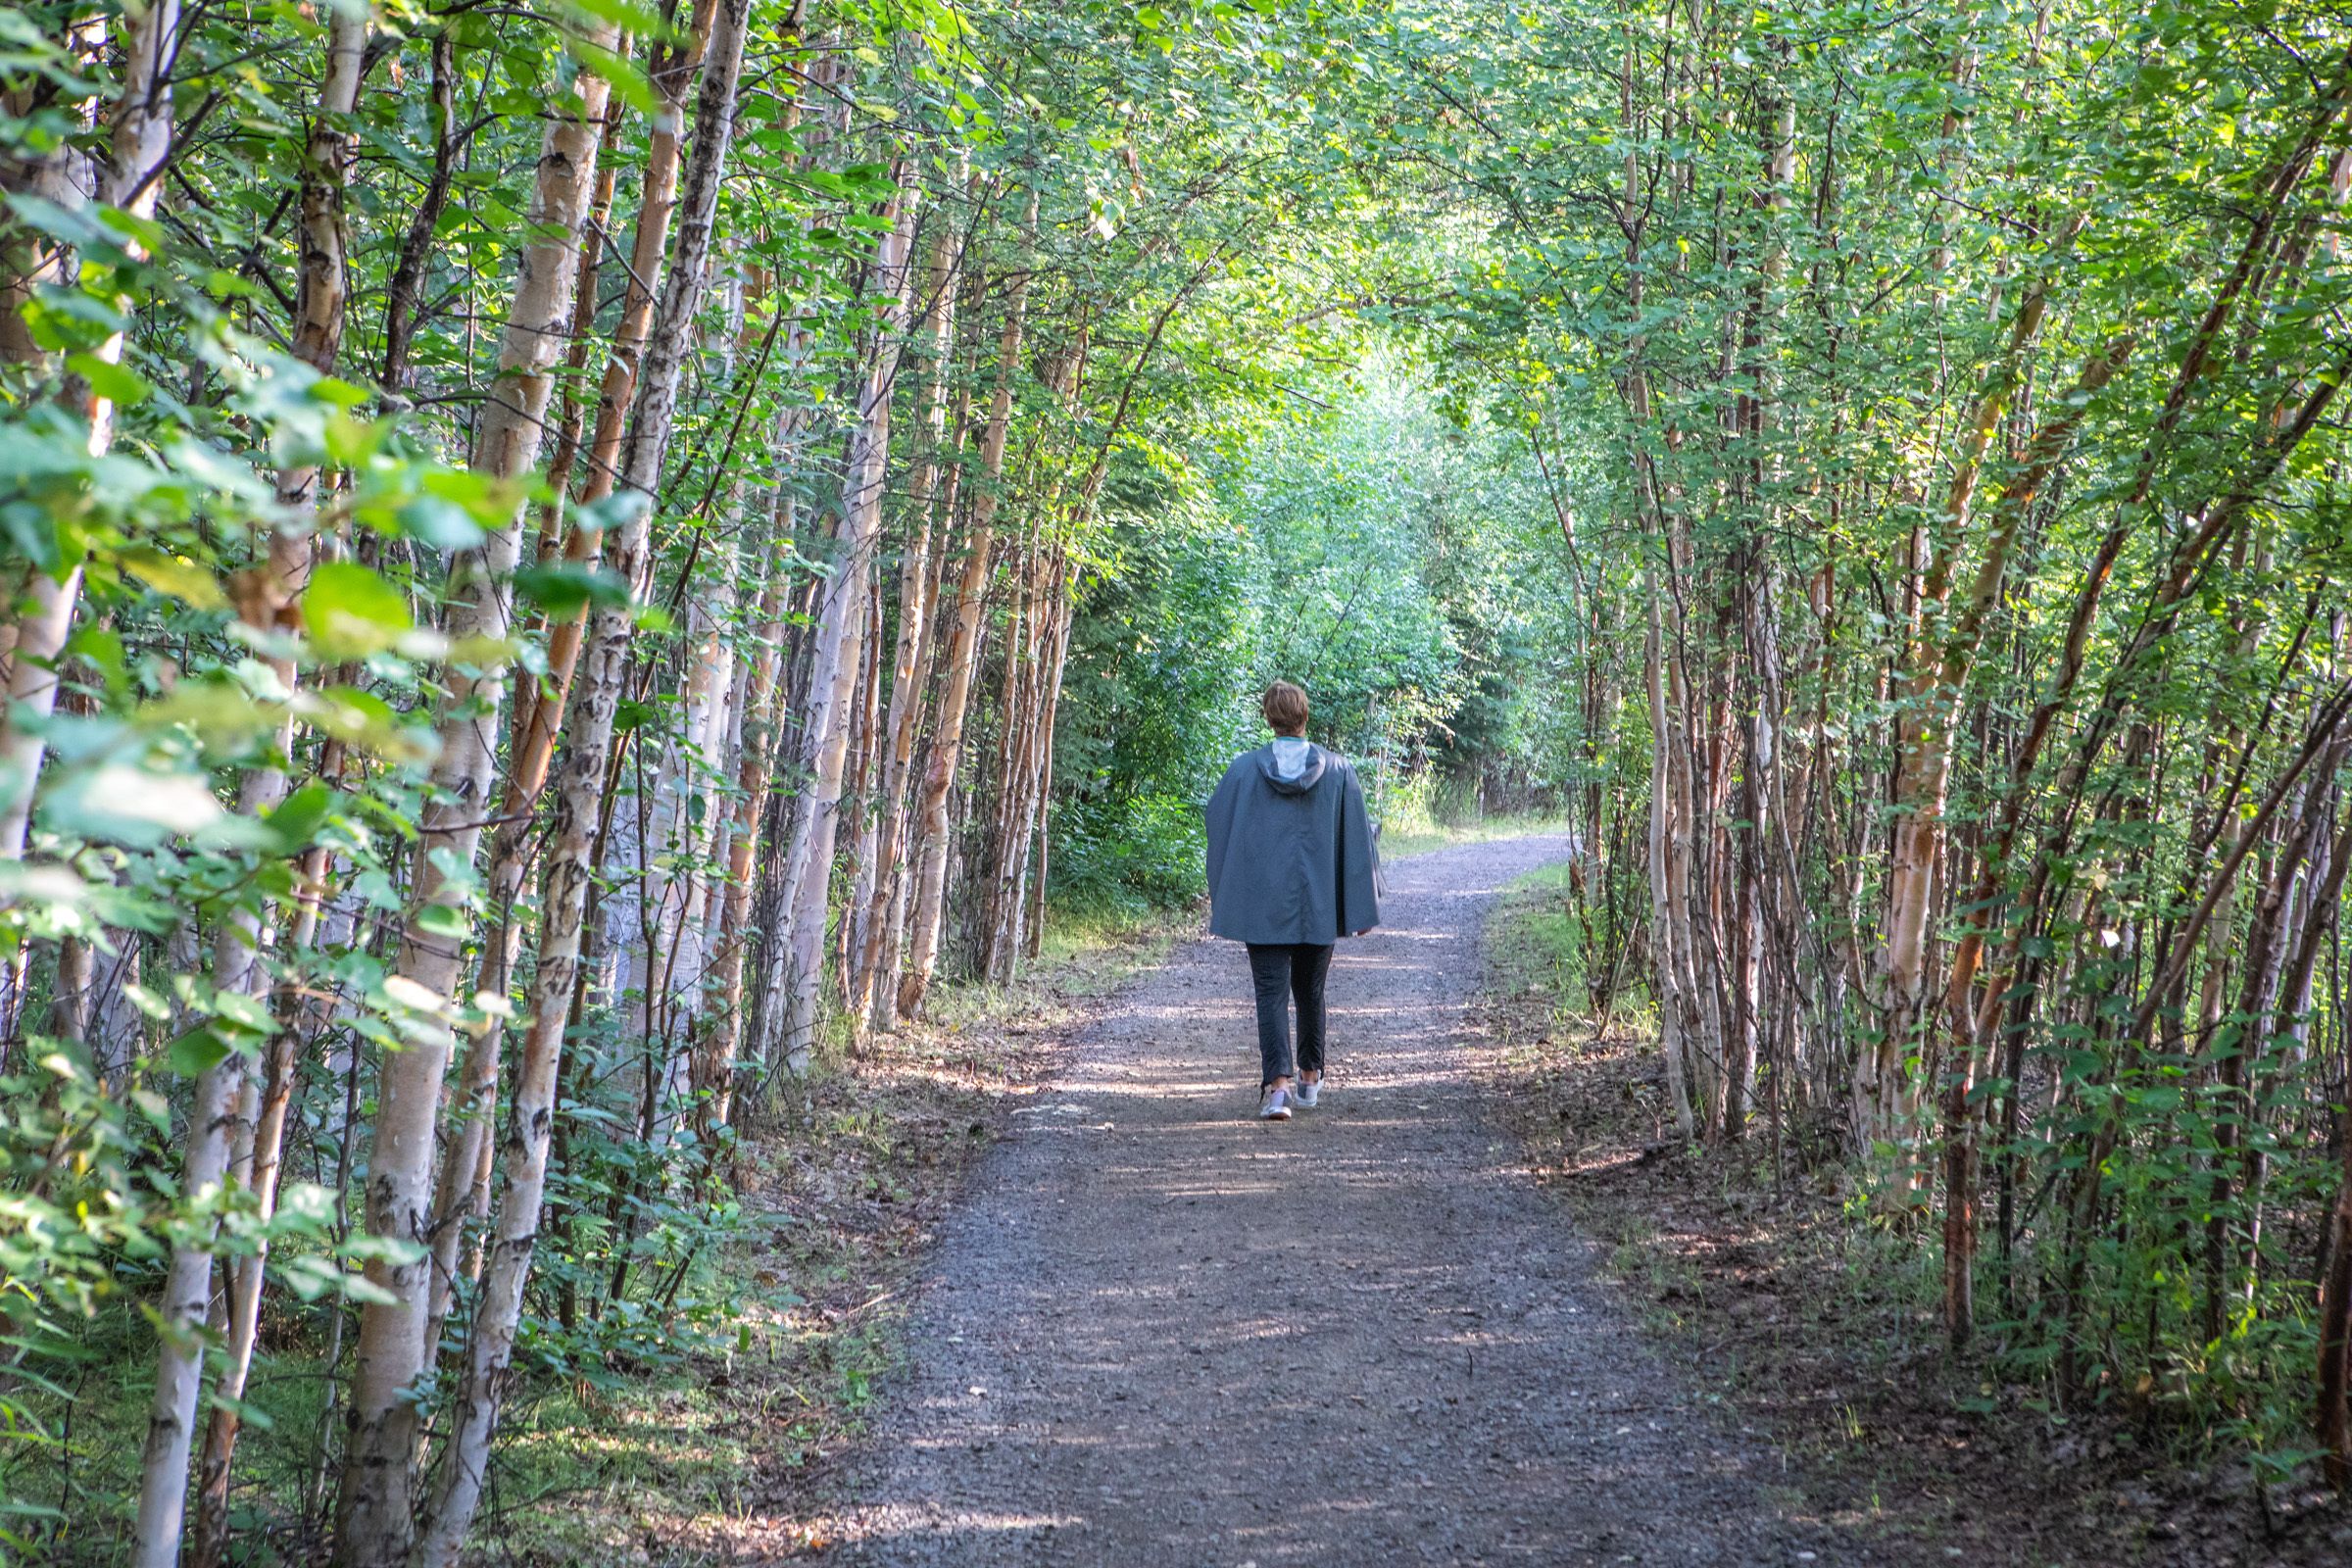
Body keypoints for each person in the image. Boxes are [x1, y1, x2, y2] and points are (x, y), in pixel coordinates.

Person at [1202, 680, 1381, 1121]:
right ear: (1305, 716)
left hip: (1262, 905)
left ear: (1269, 718)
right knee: (1310, 989)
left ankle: (1278, 1090)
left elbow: (1217, 820)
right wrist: (1360, 906)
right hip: (1318, 903)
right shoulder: (1338, 770)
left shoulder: (1243, 771)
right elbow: (1359, 840)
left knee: (1270, 992)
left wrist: (1234, 882)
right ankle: (1310, 1078)